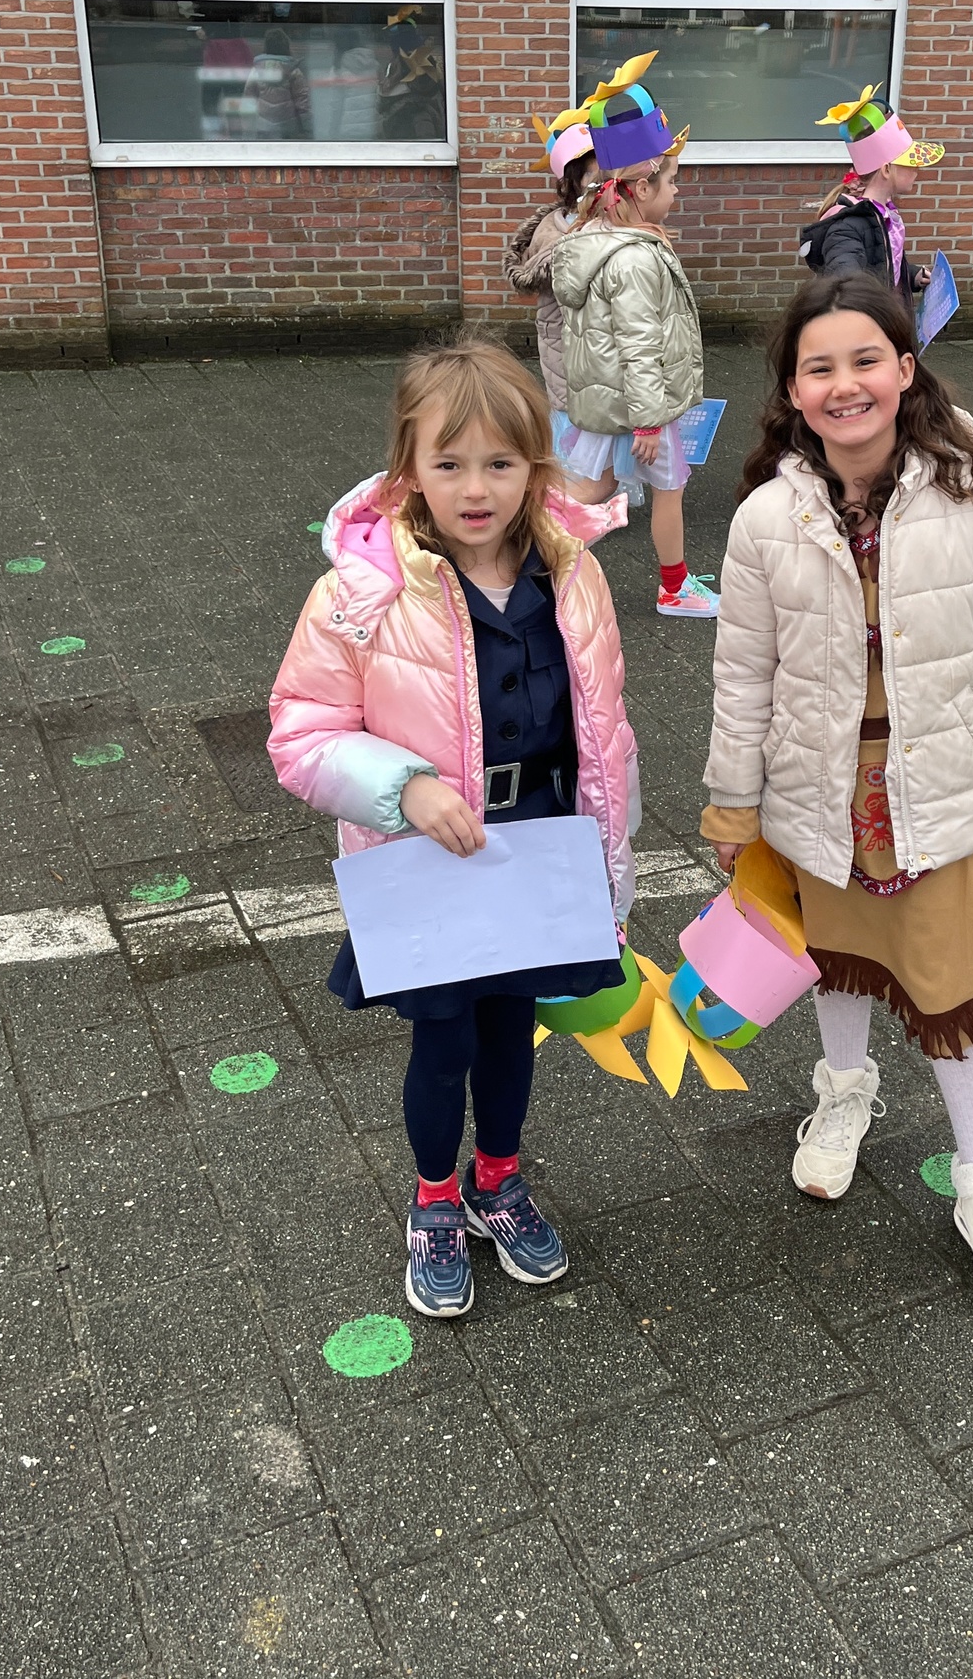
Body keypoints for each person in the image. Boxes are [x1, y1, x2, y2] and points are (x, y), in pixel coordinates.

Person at [699, 273, 973, 1312]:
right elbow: (742, 675)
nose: (845, 384)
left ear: (906, 368)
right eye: (818, 367)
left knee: (957, 988)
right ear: (793, 389)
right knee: (837, 964)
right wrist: (732, 801)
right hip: (816, 794)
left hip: (943, 794)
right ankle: (844, 1093)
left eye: (866, 359)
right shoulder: (765, 519)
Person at [267, 341, 639, 1320]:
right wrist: (406, 789)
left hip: (538, 843)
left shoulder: (575, 576)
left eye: (501, 463)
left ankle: (497, 1181)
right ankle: (434, 1198)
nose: (477, 488)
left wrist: (610, 863)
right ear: (409, 467)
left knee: (513, 1031)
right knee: (443, 1043)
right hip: (426, 856)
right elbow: (302, 734)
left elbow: (606, 728)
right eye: (450, 462)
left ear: (536, 466)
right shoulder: (362, 592)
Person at [551, 53, 717, 620]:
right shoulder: (635, 259)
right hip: (640, 404)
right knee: (667, 490)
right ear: (641, 188)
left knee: (591, 491)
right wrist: (647, 420)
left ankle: (530, 566)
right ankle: (674, 589)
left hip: (610, 399)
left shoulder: (597, 238)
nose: (677, 193)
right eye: (671, 182)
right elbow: (640, 342)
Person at [503, 109, 599, 486]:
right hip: (567, 343)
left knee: (599, 417)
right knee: (573, 416)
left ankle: (599, 488)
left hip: (594, 345)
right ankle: (570, 490)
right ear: (573, 183)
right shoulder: (559, 233)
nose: (606, 186)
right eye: (596, 178)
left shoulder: (606, 223)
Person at [798, 85, 943, 299]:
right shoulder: (846, 228)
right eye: (909, 163)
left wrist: (911, 276)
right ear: (886, 170)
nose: (917, 170)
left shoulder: (884, 214)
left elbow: (882, 264)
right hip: (874, 318)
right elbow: (846, 284)